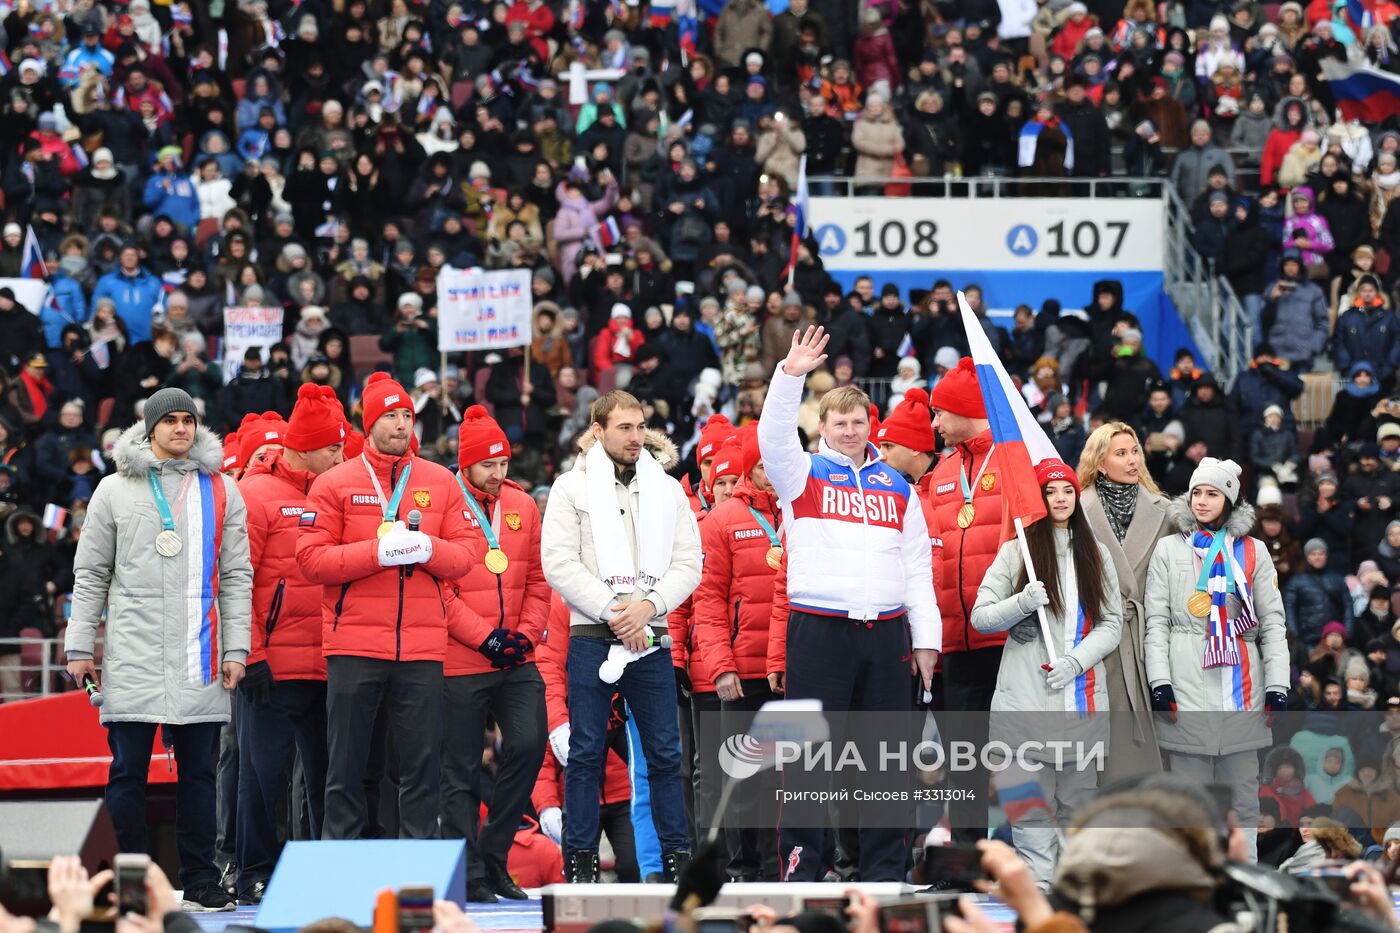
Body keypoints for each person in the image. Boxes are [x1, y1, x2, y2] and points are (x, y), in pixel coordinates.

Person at [757, 326, 939, 882]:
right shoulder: (800, 473)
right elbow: (771, 439)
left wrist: (926, 639)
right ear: (824, 428)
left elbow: (917, 568)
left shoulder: (897, 486)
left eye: (859, 422)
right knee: (807, 760)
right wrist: (790, 376)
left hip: (885, 634)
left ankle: (884, 872)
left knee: (886, 760)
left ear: (871, 427)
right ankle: (801, 869)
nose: (851, 430)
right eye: (840, 423)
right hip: (819, 630)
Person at [64, 387, 252, 910]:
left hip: (200, 652)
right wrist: (80, 645)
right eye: (169, 420)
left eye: (188, 420)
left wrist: (237, 648)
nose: (180, 429)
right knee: (127, 772)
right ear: (150, 429)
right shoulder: (113, 489)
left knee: (199, 774)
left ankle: (201, 879)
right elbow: (90, 573)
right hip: (133, 652)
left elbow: (237, 575)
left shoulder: (222, 489)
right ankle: (131, 884)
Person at [297, 371, 480, 840]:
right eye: (391, 415)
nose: (402, 424)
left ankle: (417, 873)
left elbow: (465, 557)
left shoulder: (440, 480)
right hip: (354, 645)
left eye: (407, 415)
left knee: (420, 769)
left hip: (421, 650)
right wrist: (377, 554)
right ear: (370, 421)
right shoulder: (335, 482)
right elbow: (310, 559)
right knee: (347, 769)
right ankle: (344, 866)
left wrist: (426, 548)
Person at [540, 390, 702, 883]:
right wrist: (617, 613)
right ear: (597, 431)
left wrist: (647, 608)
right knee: (586, 752)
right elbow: (559, 563)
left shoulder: (667, 489)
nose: (636, 437)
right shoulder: (570, 489)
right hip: (593, 632)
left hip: (651, 634)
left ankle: (678, 862)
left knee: (665, 754)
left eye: (640, 426)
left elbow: (689, 563)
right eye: (625, 428)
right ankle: (581, 864)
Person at [970, 459, 1122, 888]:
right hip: (1022, 708)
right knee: (1029, 811)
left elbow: (1113, 624)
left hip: (1081, 706)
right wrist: (1020, 602)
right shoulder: (1015, 550)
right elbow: (981, 618)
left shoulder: (1095, 552)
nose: (1060, 498)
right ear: (1038, 498)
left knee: (1078, 811)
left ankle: (1072, 897)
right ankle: (1038, 893)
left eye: (1067, 491)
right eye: (1051, 491)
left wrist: (1075, 662)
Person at [232, 384, 345, 904]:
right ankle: (255, 868)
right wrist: (249, 655)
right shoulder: (254, 495)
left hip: (332, 662)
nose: (342, 456)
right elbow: (235, 581)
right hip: (272, 665)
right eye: (334, 448)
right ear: (307, 446)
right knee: (262, 776)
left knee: (329, 778)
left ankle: (324, 869)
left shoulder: (338, 490)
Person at [1144, 457, 1289, 860]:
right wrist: (1160, 682)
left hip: (1242, 687)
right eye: (1196, 493)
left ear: (1229, 500)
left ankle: (1244, 885)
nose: (1202, 501)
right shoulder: (1169, 549)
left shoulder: (1254, 551)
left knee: (1243, 803)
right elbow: (1156, 623)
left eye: (1212, 493)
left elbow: (1273, 624)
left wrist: (1278, 685)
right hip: (1187, 686)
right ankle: (1194, 889)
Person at [441, 406, 548, 903]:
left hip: (517, 656)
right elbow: (438, 590)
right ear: (466, 464)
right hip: (462, 656)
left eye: (503, 462)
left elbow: (539, 580)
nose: (498, 472)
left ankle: (495, 854)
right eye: (488, 464)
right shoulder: (443, 502)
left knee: (528, 745)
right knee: (459, 768)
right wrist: (484, 638)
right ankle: (472, 874)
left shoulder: (523, 505)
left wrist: (524, 635)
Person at [691, 423, 783, 881]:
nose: (773, 472)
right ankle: (743, 871)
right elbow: (706, 600)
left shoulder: (803, 507)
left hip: (794, 668)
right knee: (742, 777)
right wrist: (721, 665)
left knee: (791, 778)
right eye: (764, 466)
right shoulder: (724, 518)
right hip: (743, 668)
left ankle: (786, 867)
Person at [924, 357, 1000, 840]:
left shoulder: (1016, 460)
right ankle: (968, 858)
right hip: (956, 636)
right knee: (964, 758)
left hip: (1009, 638)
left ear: (967, 410)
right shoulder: (944, 471)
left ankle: (1030, 861)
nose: (934, 424)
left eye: (940, 413)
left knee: (1023, 756)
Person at [1077, 422, 1174, 778]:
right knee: (1109, 744)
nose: (1132, 460)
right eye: (1121, 454)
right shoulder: (1075, 511)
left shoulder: (1165, 511)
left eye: (1134, 451)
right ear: (1100, 463)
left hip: (1151, 637)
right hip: (1099, 637)